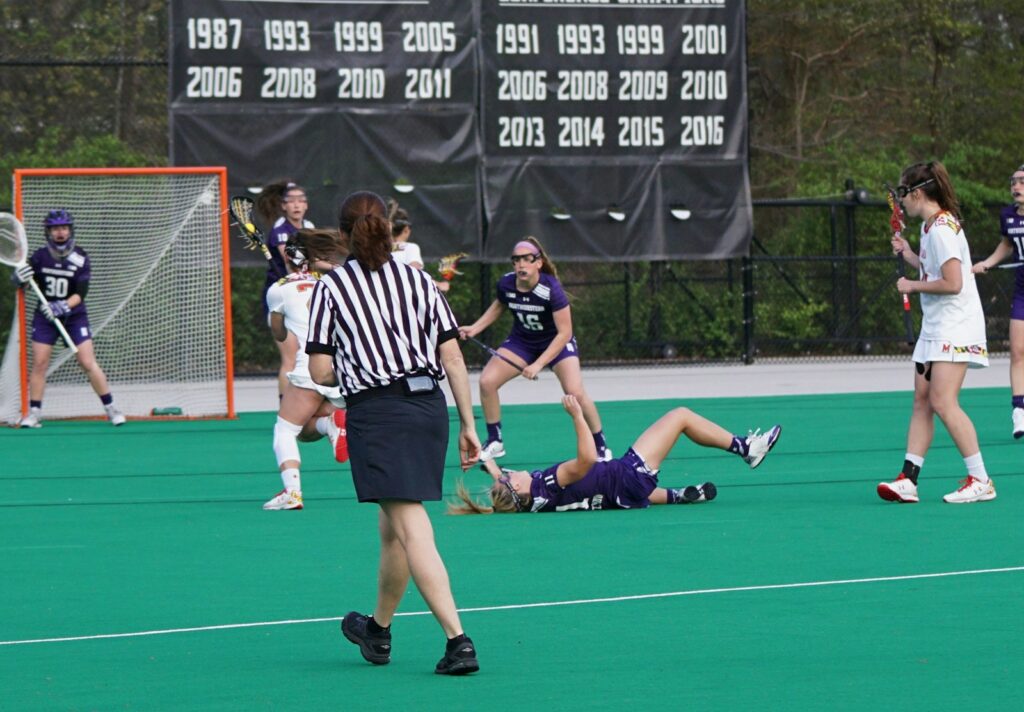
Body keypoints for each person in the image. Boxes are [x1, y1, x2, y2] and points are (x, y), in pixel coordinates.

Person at [306, 190, 481, 675]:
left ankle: (458, 641)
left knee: (411, 526)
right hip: (429, 410)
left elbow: (320, 372)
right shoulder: (418, 279)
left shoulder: (332, 288)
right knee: (393, 529)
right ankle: (378, 632)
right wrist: (469, 424)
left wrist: (356, 362)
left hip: (380, 415)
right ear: (386, 226)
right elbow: (451, 357)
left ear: (344, 234)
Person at [878, 161, 996, 505]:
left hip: (956, 327)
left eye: (904, 194)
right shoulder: (929, 228)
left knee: (943, 401)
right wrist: (911, 255)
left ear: (918, 193)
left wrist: (912, 286)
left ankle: (980, 479)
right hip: (936, 326)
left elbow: (954, 283)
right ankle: (908, 480)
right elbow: (935, 269)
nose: (901, 203)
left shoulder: (943, 229)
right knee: (922, 401)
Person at [450, 395, 781, 514]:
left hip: (619, 495)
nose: (513, 472)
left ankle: (679, 496)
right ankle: (747, 449)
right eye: (511, 477)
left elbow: (500, 480)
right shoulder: (546, 483)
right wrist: (578, 416)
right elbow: (586, 461)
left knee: (624, 490)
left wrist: (484, 459)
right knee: (680, 416)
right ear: (517, 489)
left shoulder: (526, 501)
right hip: (628, 475)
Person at [458, 236, 611, 462]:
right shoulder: (507, 283)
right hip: (523, 342)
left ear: (538, 263)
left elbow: (565, 333)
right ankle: (495, 441)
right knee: (487, 382)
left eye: (526, 259)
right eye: (516, 260)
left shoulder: (551, 289)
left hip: (556, 343)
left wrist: (538, 364)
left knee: (575, 393)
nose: (521, 264)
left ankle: (600, 445)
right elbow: (500, 304)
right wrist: (475, 328)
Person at [9, 209, 124, 428]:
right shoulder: (39, 257)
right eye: (55, 229)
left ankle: (111, 408)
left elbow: (81, 293)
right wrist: (18, 278)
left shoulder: (81, 257)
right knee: (40, 363)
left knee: (87, 362)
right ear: (48, 232)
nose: (60, 233)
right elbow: (24, 283)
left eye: (64, 228)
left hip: (74, 316)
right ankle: (34, 413)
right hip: (45, 317)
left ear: (70, 230)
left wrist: (62, 306)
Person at [262, 229, 349, 511]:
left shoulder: (279, 289)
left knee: (284, 430)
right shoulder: (334, 283)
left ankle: (292, 492)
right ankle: (330, 423)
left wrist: (277, 310)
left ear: (288, 257)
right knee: (304, 431)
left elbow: (278, 334)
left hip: (310, 368)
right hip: (341, 372)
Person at [970, 163, 1024, 438]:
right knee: (1017, 351)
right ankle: (1019, 412)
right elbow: (1007, 244)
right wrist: (986, 264)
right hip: (1022, 292)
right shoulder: (1008, 216)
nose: (1016, 186)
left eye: (1022, 182)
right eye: (1014, 181)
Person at [256, 181, 315, 397]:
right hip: (281, 299)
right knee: (290, 359)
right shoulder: (280, 231)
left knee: (308, 355)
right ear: (284, 206)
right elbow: (293, 261)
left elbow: (313, 259)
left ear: (306, 205)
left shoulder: (309, 227)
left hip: (303, 296)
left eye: (301, 200)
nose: (297, 205)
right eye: (292, 201)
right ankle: (286, 409)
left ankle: (310, 408)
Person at [387, 198, 450, 293]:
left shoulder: (379, 248)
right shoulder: (410, 248)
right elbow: (416, 274)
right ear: (406, 229)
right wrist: (439, 285)